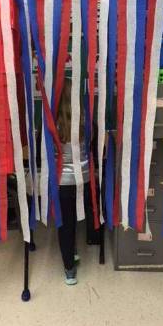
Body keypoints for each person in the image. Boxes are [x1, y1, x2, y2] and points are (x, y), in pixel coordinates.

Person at [55, 77, 91, 285]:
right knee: (75, 220)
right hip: (82, 183)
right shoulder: (86, 123)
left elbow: (47, 155)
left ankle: (69, 269)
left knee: (64, 225)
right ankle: (73, 251)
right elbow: (93, 148)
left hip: (62, 185)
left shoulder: (52, 126)